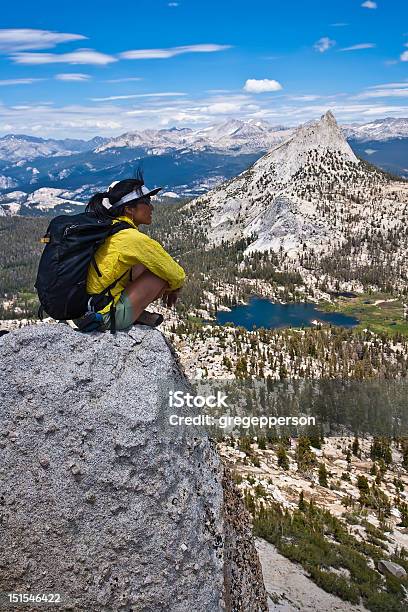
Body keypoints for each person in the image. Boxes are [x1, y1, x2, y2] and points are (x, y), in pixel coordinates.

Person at [84, 174, 185, 331]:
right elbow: (177, 274)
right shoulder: (132, 238)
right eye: (146, 202)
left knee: (142, 265)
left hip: (87, 308)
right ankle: (130, 316)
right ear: (129, 209)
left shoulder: (110, 227)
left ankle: (133, 313)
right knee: (160, 274)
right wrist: (173, 288)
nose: (151, 207)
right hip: (103, 317)